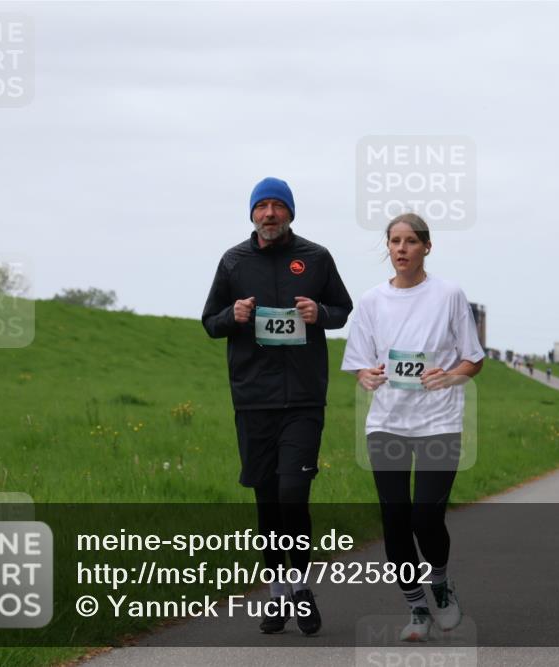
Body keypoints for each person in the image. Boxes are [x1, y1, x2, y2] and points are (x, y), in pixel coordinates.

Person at [202, 177, 353, 635]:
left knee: (293, 495)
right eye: (262, 206)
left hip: (303, 397)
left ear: (290, 213)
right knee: (267, 503)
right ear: (252, 214)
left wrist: (319, 315)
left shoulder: (316, 258)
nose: (269, 214)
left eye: (277, 206)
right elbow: (210, 322)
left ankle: (302, 589)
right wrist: (234, 317)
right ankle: (278, 594)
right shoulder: (233, 261)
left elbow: (343, 309)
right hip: (253, 400)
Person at [342, 213, 484, 642]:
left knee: (426, 516)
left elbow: (473, 359)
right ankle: (416, 607)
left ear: (427, 246)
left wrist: (451, 376)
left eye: (410, 241)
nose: (401, 249)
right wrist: (365, 376)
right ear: (387, 247)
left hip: (438, 422)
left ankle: (439, 583)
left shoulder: (449, 295)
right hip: (386, 423)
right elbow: (360, 365)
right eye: (394, 241)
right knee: (395, 519)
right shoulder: (370, 301)